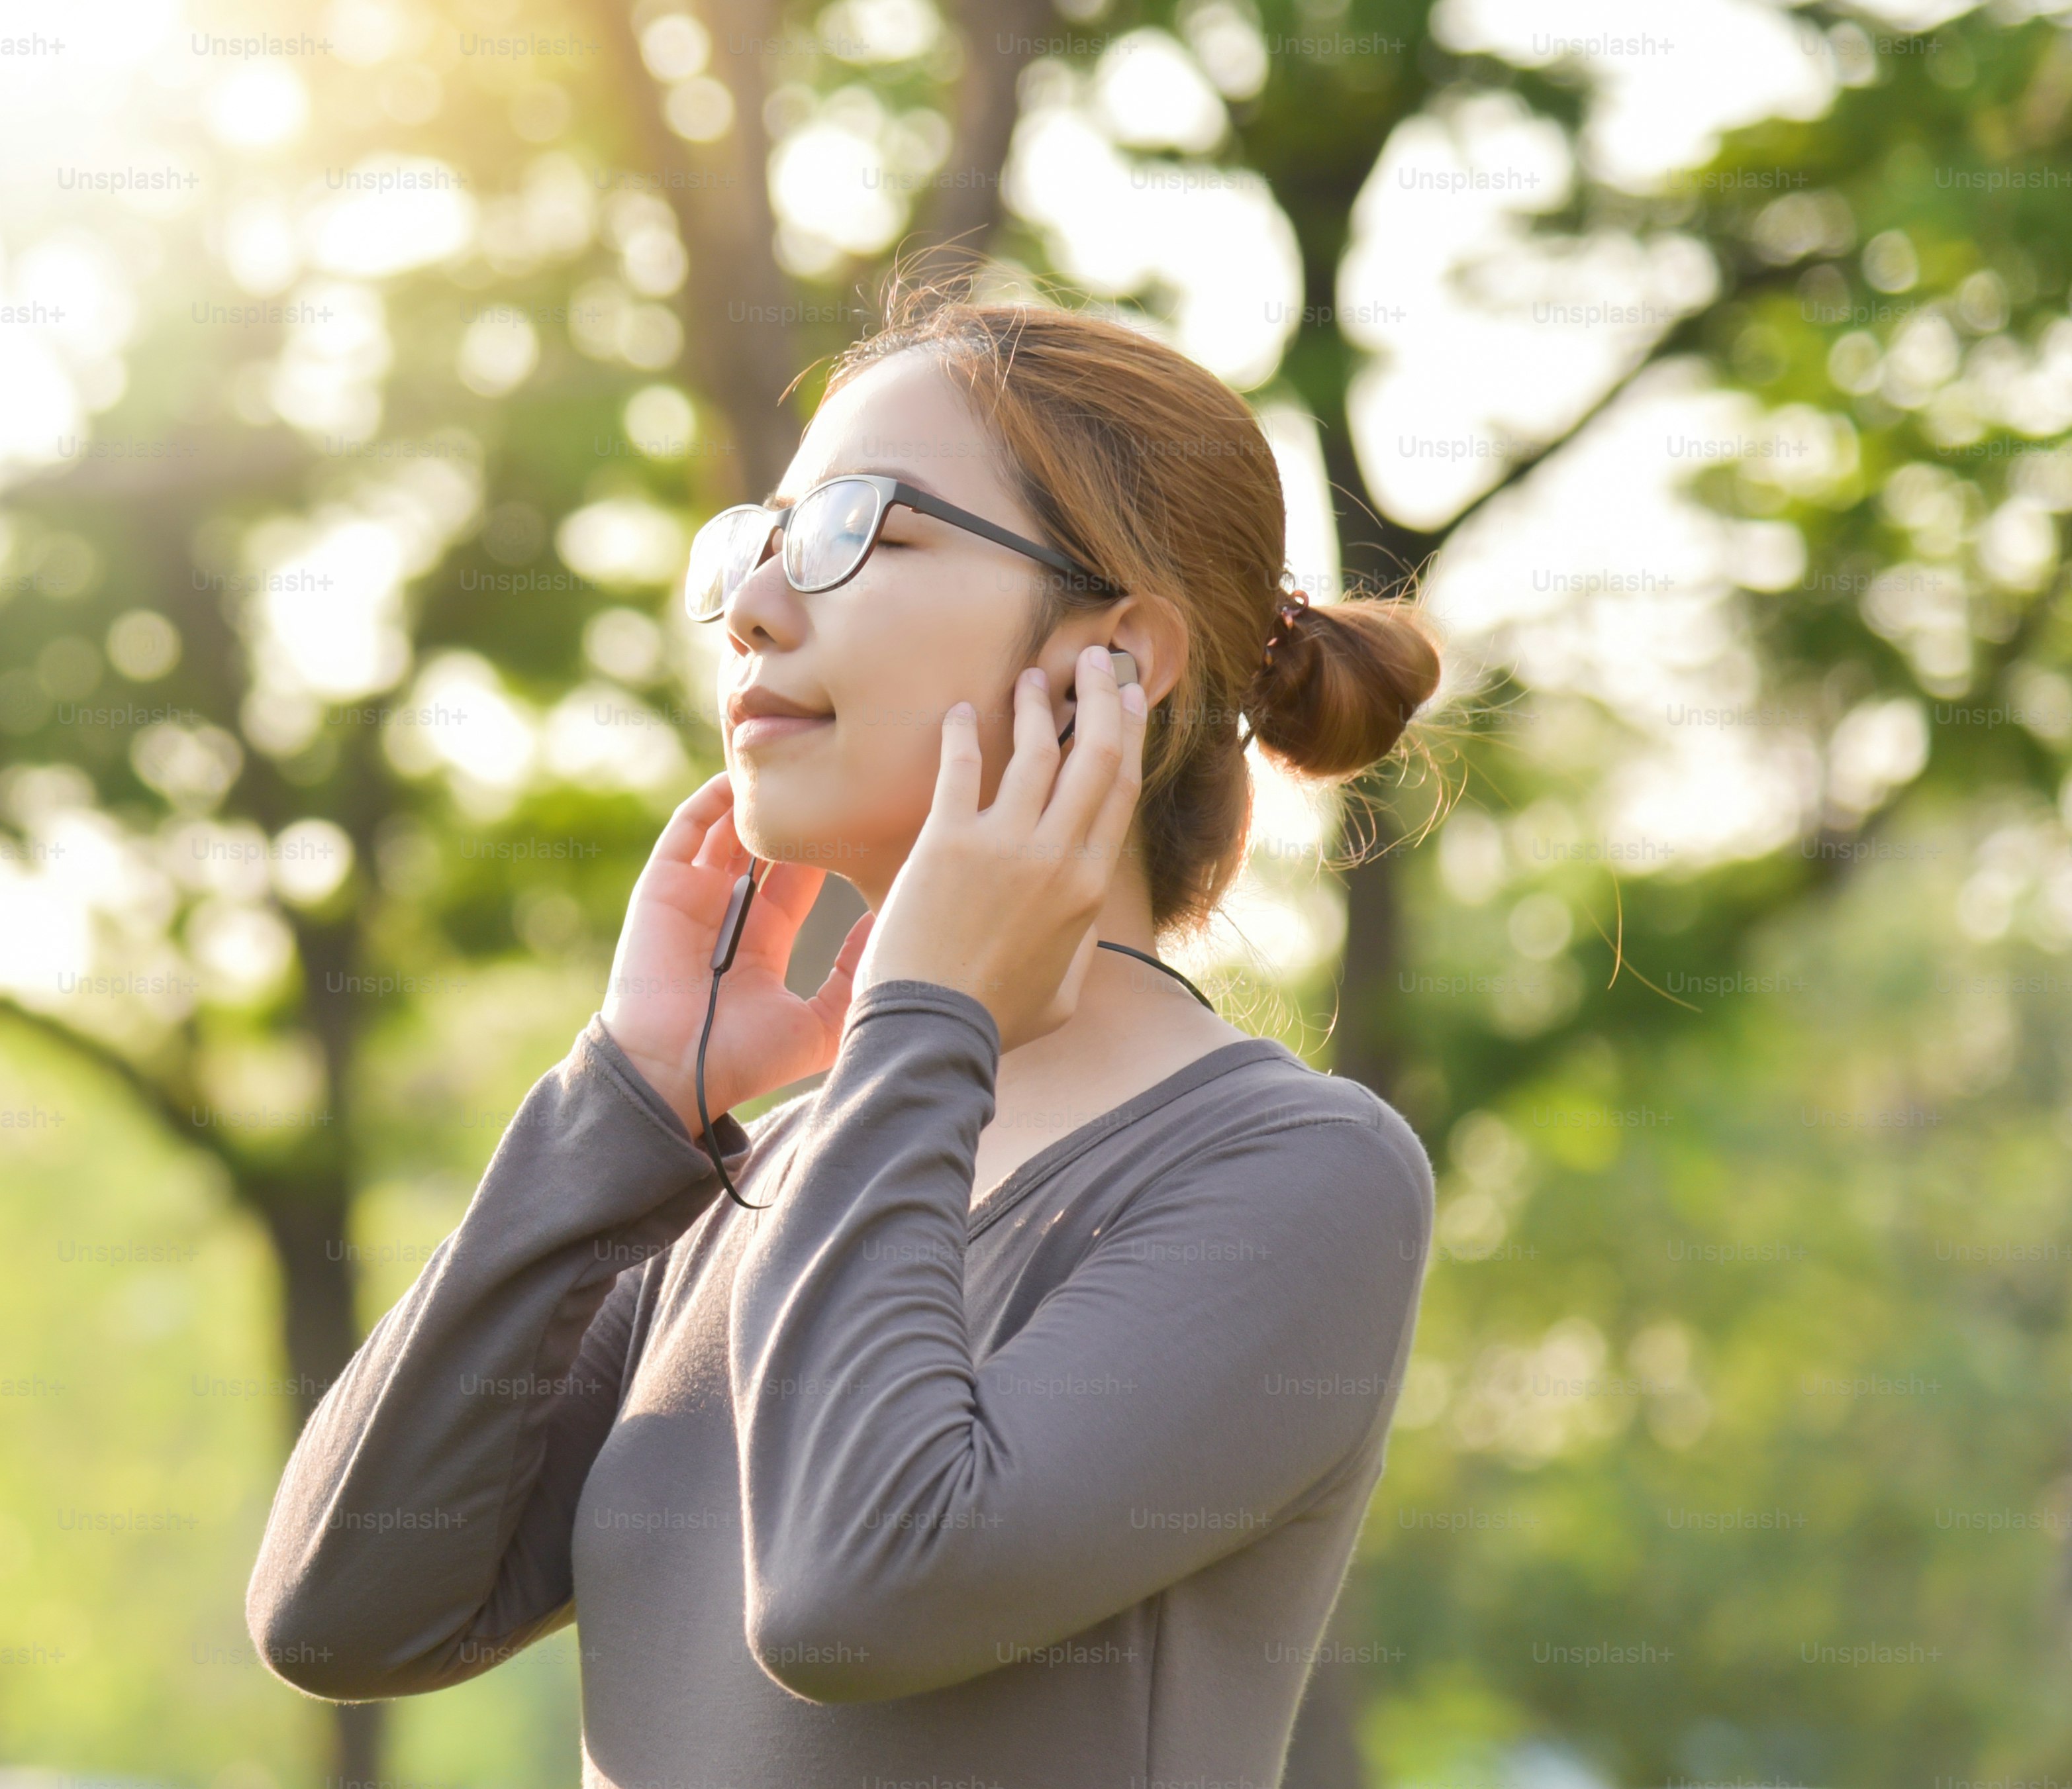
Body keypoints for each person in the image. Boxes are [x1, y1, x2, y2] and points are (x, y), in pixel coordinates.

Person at [244, 297, 1450, 1789]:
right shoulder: (777, 1175)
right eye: (759, 536)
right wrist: (622, 1094)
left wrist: (919, 1020)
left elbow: (850, 1595)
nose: (752, 601)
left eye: (860, 529)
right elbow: (344, 1611)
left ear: (1115, 654)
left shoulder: (1296, 1174)